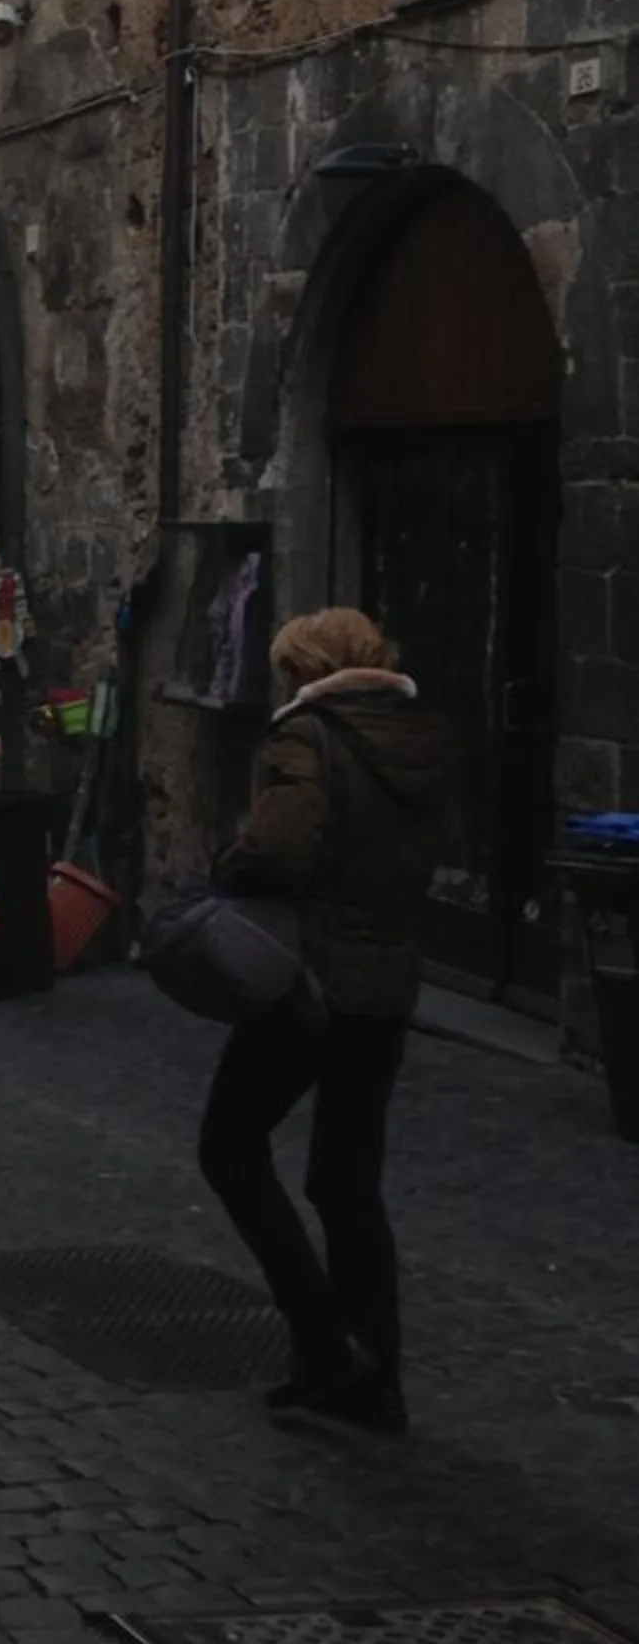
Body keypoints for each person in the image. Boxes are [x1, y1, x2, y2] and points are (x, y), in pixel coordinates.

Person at [197, 607, 455, 1436]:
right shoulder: (419, 736)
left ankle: (326, 1341)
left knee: (230, 1147)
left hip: (308, 978)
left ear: (304, 672)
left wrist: (228, 865)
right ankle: (375, 1379)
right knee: (347, 1182)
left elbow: (280, 850)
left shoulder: (309, 736)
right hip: (387, 983)